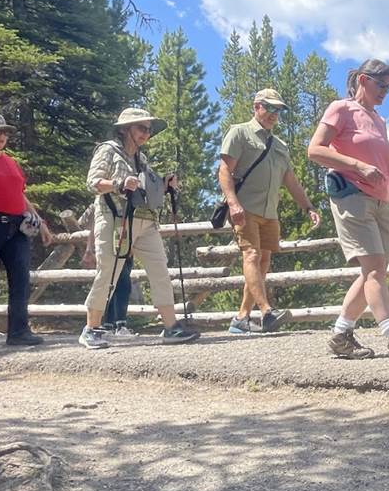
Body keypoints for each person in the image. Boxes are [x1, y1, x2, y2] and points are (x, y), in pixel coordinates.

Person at [307, 59, 389, 365]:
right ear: (363, 79)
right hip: (352, 196)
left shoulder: (378, 119)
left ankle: (340, 334)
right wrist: (358, 166)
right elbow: (315, 150)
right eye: (381, 85)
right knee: (374, 268)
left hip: (380, 200)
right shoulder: (341, 109)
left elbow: (378, 164)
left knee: (375, 270)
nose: (386, 92)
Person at [81, 108, 200, 349]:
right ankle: (90, 329)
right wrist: (118, 183)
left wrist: (164, 186)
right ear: (125, 129)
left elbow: (145, 190)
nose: (146, 133)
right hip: (114, 219)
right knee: (107, 272)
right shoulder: (107, 150)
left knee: (160, 270)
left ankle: (170, 327)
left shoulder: (140, 159)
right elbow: (92, 182)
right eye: (141, 128)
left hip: (144, 221)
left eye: (148, 129)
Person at [218, 88, 320, 335]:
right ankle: (266, 311)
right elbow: (224, 171)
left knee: (263, 261)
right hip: (245, 208)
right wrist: (233, 203)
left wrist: (308, 207)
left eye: (279, 110)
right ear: (257, 107)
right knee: (251, 255)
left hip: (269, 212)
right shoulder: (239, 132)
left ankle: (242, 317)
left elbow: (291, 181)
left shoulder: (280, 145)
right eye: (270, 108)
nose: (274, 114)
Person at [0, 111, 51, 345]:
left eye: (4, 132)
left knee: (20, 278)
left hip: (16, 225)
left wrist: (39, 219)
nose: (1, 137)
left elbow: (19, 193)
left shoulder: (10, 162)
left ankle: (18, 331)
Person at [80, 202, 135, 338]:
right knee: (119, 284)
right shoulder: (103, 202)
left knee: (118, 284)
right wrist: (89, 249)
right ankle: (117, 325)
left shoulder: (131, 201)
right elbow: (95, 226)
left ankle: (109, 325)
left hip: (125, 244)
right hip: (111, 245)